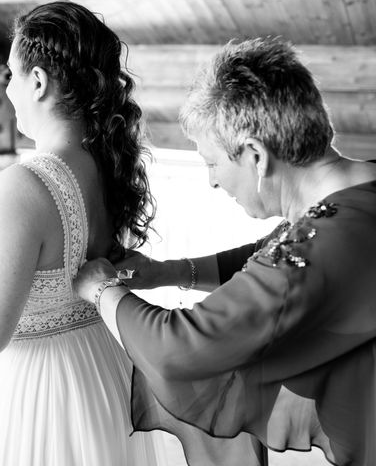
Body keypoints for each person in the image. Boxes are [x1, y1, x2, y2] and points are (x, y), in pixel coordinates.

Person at [74, 37, 376, 466]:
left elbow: (176, 348)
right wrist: (166, 272)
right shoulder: (356, 197)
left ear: (255, 154)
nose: (212, 182)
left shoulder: (317, 250)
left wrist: (100, 289)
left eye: (212, 163)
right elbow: (273, 253)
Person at [0, 0, 169, 466]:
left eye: (11, 75)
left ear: (39, 81)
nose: (8, 91)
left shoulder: (26, 185)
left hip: (40, 391)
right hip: (99, 366)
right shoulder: (106, 165)